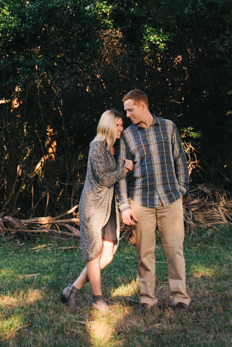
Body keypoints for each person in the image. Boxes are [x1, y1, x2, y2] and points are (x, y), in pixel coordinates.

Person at [117, 89, 191, 309]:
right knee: (144, 253)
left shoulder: (168, 127)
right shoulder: (128, 135)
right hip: (141, 201)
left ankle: (179, 298)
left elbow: (181, 159)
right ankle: (147, 299)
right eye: (125, 111)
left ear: (142, 106)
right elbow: (121, 173)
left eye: (130, 110)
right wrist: (123, 206)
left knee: (174, 250)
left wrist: (182, 188)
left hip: (170, 198)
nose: (127, 115)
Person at [61, 109, 135, 312]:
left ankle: (72, 289)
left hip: (108, 206)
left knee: (108, 254)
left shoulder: (114, 147)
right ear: (108, 125)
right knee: (94, 254)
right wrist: (125, 171)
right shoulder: (96, 147)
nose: (121, 129)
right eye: (118, 125)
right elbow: (103, 178)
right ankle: (98, 300)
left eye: (121, 125)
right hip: (93, 206)